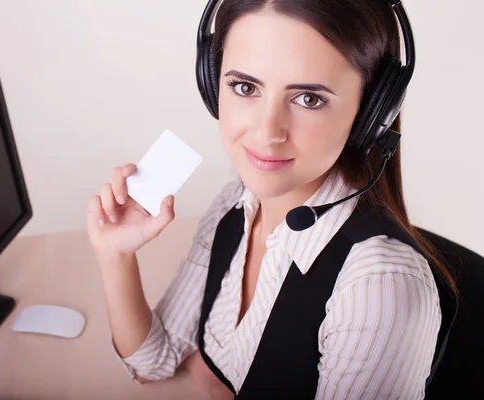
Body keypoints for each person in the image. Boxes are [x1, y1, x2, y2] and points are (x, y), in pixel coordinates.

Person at [86, 0, 458, 399]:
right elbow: (153, 362)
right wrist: (115, 255)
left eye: (309, 99)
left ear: (370, 114)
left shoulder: (379, 290)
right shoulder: (235, 205)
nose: (267, 133)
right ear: (213, 84)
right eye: (245, 87)